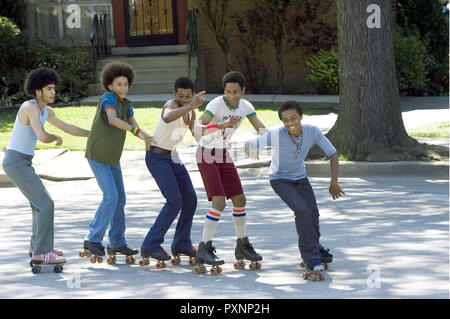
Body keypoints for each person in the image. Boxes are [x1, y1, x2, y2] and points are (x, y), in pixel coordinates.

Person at [139, 77, 236, 267]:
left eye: (188, 96)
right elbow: (167, 116)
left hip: (173, 158)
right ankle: (150, 244)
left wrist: (222, 126)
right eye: (181, 95)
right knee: (174, 201)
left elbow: (198, 134)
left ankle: (182, 243)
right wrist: (191, 105)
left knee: (190, 200)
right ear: (175, 94)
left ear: (193, 95)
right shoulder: (171, 105)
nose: (184, 98)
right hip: (157, 157)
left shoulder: (190, 112)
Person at [245, 100, 345, 279]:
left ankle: (315, 246)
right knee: (302, 210)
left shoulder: (312, 131)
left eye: (293, 118)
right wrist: (251, 149)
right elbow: (250, 143)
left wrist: (334, 182)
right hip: (280, 179)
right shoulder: (276, 134)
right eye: (285, 120)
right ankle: (311, 257)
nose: (290, 123)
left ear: (301, 117)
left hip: (300, 178)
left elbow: (333, 153)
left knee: (313, 212)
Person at [2, 67, 90, 266]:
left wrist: (91, 134)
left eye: (54, 89)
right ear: (37, 90)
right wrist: (54, 138)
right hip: (15, 162)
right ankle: (42, 253)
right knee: (46, 204)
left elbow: (68, 127)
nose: (53, 92)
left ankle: (37, 247)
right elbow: (42, 135)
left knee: (38, 205)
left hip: (22, 162)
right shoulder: (29, 107)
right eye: (49, 88)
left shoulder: (45, 110)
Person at [194, 71, 267, 271]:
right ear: (223, 91)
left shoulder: (246, 107)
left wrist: (262, 142)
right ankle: (204, 247)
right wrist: (221, 124)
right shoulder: (216, 104)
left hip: (223, 154)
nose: (232, 95)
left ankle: (242, 245)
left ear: (243, 91)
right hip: (206, 153)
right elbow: (198, 127)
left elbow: (259, 126)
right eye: (228, 91)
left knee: (239, 199)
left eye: (236, 91)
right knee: (219, 202)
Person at [82, 61, 153, 262]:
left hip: (112, 157)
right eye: (119, 84)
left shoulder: (127, 104)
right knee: (111, 197)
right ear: (110, 85)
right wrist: (135, 132)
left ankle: (116, 242)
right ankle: (92, 238)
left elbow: (135, 125)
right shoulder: (108, 98)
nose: (123, 87)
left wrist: (148, 138)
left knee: (120, 199)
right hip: (97, 154)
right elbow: (112, 119)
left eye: (126, 84)